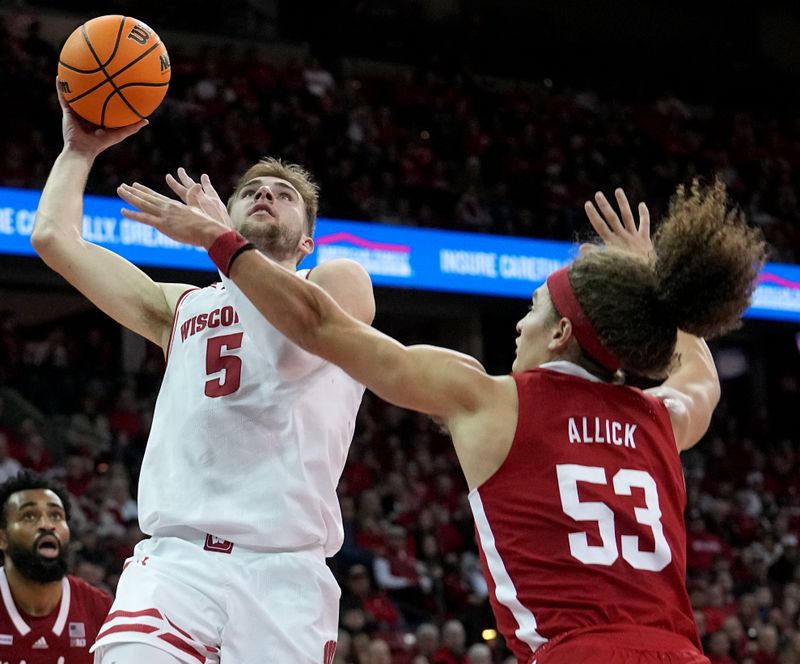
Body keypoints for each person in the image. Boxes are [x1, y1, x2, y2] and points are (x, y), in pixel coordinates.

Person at [119, 174, 766, 663]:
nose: (520, 321)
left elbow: (319, 325)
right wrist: (656, 283)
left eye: (536, 309)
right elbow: (699, 377)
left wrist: (218, 238)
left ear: (563, 332)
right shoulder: (662, 418)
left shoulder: (491, 400)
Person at [32, 87, 375, 663]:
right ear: (227, 212)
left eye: (284, 195)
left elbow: (304, 331)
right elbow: (54, 240)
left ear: (309, 239)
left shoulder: (338, 281)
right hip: (176, 565)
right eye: (250, 191)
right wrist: (79, 152)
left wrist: (222, 241)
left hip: (283, 574)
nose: (265, 194)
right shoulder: (180, 306)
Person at [0, 469, 113, 663]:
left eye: (56, 516)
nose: (46, 525)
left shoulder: (100, 609)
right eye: (29, 516)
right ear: (2, 538)